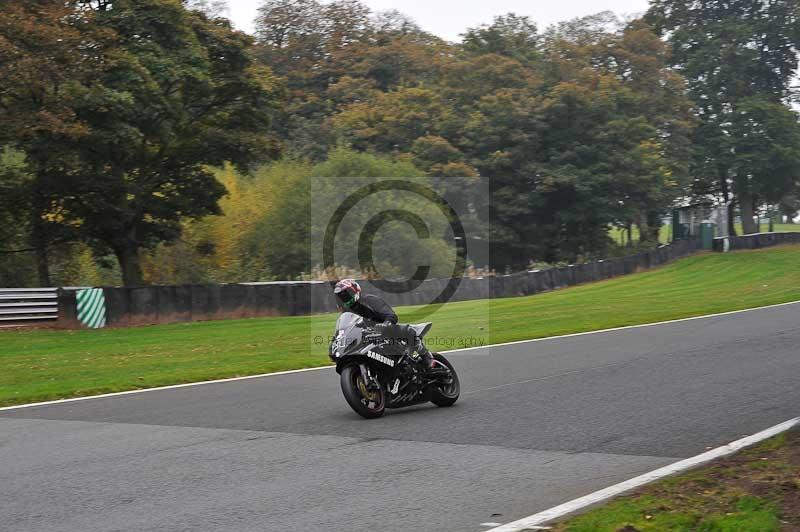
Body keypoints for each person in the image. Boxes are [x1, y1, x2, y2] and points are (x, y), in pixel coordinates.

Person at [333, 279, 435, 369]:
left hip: (387, 334)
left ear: (353, 292)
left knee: (406, 330)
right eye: (340, 298)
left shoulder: (369, 300)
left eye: (345, 296)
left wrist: (386, 324)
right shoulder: (348, 315)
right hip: (369, 341)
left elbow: (390, 315)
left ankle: (426, 356)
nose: (343, 300)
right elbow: (343, 331)